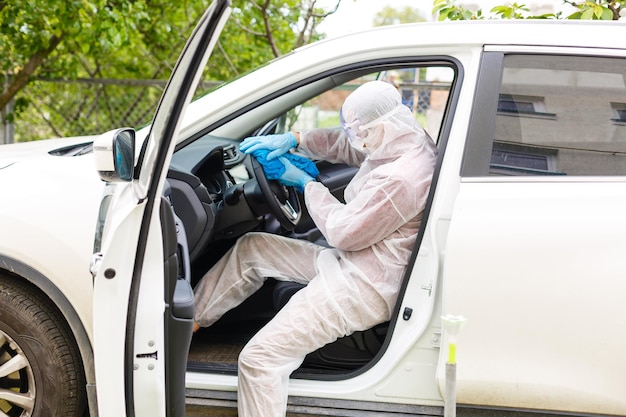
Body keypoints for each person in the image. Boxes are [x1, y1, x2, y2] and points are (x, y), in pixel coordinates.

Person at [192, 80, 438, 417]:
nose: (356, 139)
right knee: (254, 247)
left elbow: (343, 232)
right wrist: (296, 140)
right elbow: (349, 147)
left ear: (380, 126)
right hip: (354, 261)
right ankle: (190, 323)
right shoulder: (401, 139)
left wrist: (307, 183)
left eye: (359, 131)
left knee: (259, 360)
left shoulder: (403, 177)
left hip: (363, 286)